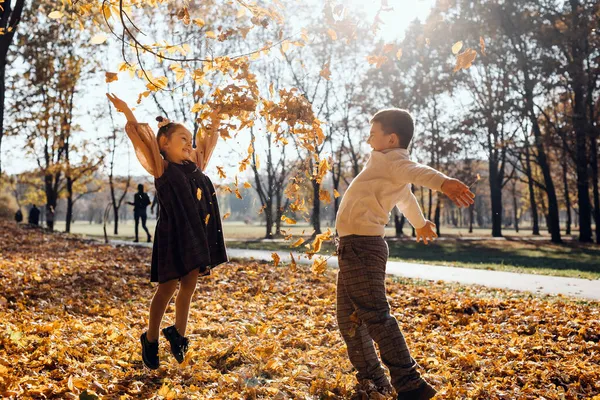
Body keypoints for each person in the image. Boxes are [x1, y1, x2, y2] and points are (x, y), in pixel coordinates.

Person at [334, 109, 475, 400]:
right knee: (348, 318)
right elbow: (406, 198)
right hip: (352, 248)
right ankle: (373, 379)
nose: (368, 138)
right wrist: (421, 224)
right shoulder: (385, 167)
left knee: (375, 315)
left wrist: (443, 182)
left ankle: (410, 384)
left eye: (373, 134)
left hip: (362, 247)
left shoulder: (395, 162)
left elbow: (417, 172)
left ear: (391, 138)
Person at [106, 93, 228, 370]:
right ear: (164, 143)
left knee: (189, 286)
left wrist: (218, 115)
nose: (189, 143)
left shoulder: (195, 165)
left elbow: (208, 140)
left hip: (196, 233)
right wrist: (127, 112)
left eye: (189, 139)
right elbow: (143, 139)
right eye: (182, 139)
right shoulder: (161, 167)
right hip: (174, 234)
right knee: (167, 287)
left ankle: (178, 334)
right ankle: (150, 339)